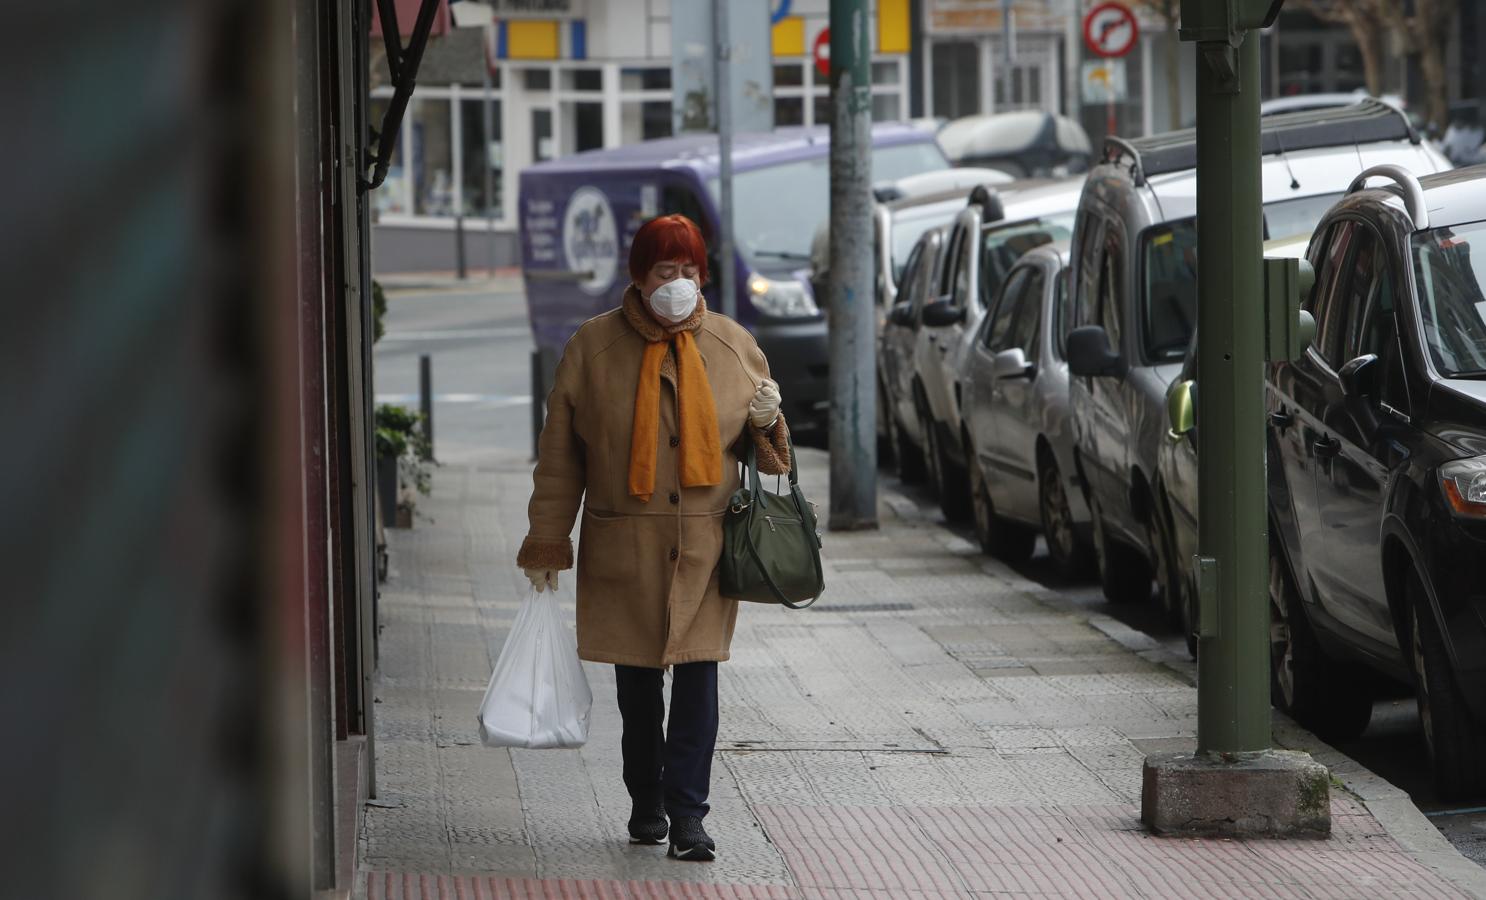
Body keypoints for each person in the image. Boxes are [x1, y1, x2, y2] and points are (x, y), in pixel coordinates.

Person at [516, 213, 791, 862]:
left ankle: (688, 815)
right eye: (666, 272)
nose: (679, 284)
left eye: (690, 271)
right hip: (624, 549)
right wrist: (548, 541)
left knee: (699, 684)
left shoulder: (732, 345)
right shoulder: (594, 349)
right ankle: (646, 801)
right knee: (638, 694)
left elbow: (774, 462)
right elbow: (561, 458)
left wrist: (769, 422)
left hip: (705, 551)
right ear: (639, 277)